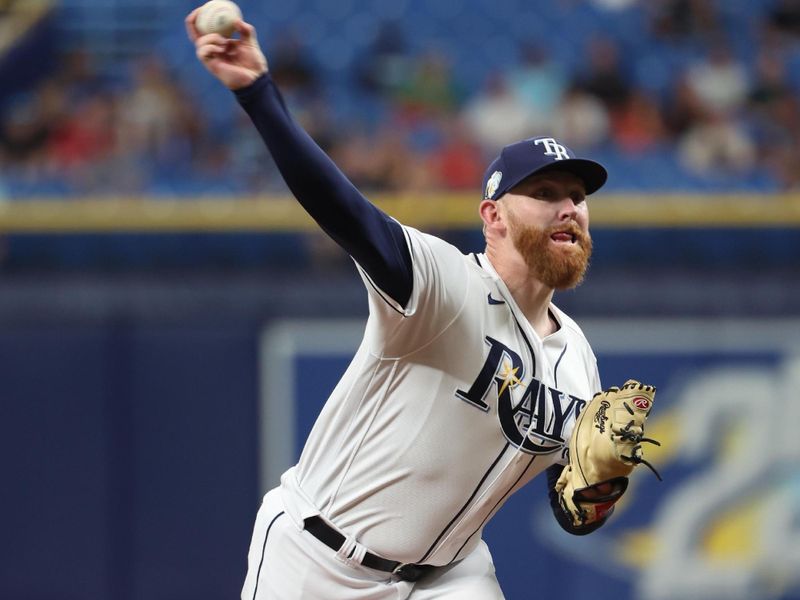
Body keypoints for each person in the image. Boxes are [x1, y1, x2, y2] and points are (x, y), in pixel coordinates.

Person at [187, 9, 614, 599]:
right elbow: (343, 209)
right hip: (322, 559)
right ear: (493, 216)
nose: (569, 207)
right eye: (544, 194)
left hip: (451, 577)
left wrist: (595, 490)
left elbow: (572, 504)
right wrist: (258, 92)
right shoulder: (443, 285)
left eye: (577, 197)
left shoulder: (579, 360)